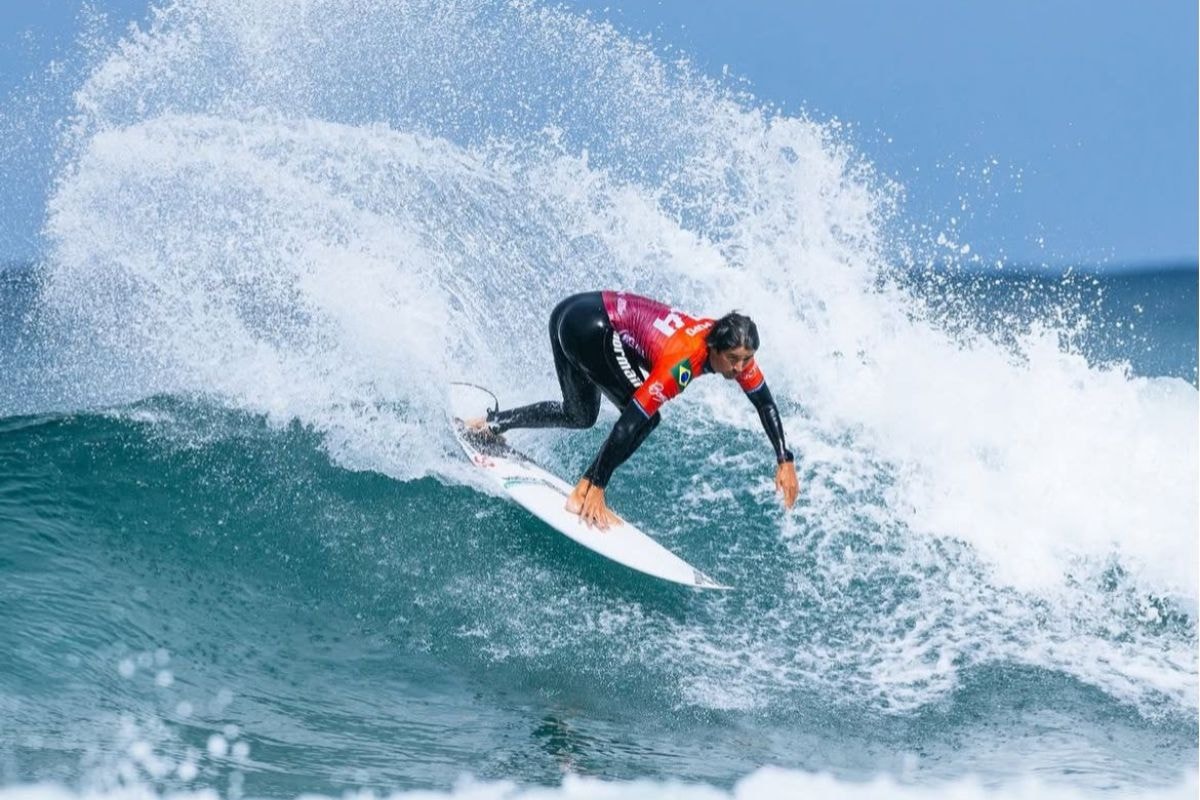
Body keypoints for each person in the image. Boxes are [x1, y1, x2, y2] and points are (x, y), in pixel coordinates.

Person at [467, 290, 800, 529]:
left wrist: (784, 459)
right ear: (714, 349)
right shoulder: (681, 365)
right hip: (592, 326)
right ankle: (584, 493)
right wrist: (598, 484)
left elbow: (764, 402)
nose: (741, 368)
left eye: (747, 359)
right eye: (734, 360)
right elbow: (629, 423)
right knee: (646, 419)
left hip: (572, 312)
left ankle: (491, 424)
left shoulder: (733, 346)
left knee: (579, 415)